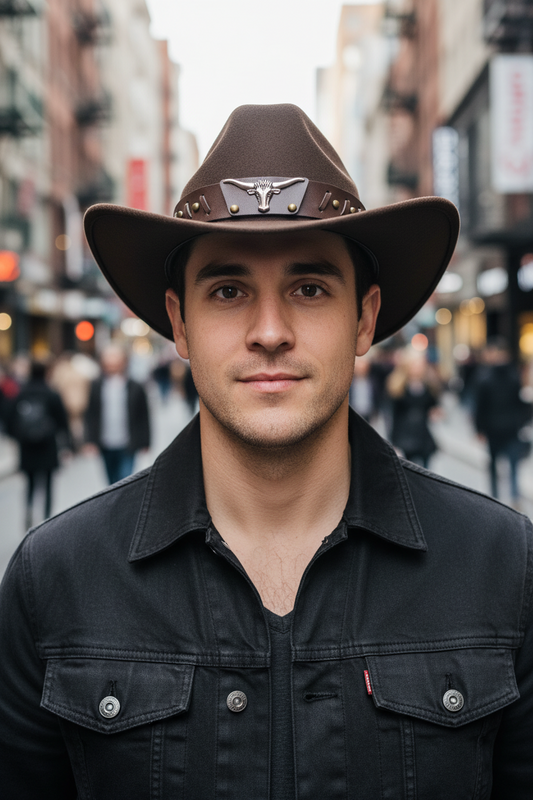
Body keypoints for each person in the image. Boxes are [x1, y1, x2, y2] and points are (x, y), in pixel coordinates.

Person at [0, 104, 531, 798]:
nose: (270, 331)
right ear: (178, 324)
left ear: (364, 318)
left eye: (308, 288)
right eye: (227, 290)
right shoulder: (56, 579)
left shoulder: (502, 567)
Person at [6, 360, 70, 528]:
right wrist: (67, 444)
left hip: (27, 447)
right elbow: (62, 421)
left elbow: (9, 419)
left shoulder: (21, 393)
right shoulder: (51, 393)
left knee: (30, 483)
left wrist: (19, 437)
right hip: (48, 446)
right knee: (48, 483)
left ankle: (28, 510)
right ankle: (47, 519)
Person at [474, 338, 531, 506]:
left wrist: (479, 429)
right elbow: (521, 404)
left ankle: (495, 499)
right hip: (511, 428)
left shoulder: (485, 378)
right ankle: (514, 497)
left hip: (493, 429)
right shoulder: (514, 377)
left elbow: (480, 408)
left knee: (494, 466)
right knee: (513, 465)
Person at [84, 343, 151, 484]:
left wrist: (146, 441)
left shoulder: (136, 386)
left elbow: (143, 415)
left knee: (124, 479)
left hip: (128, 443)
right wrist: (90, 440)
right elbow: (90, 414)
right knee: (111, 482)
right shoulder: (96, 385)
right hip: (105, 442)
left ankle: (123, 505)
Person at [386, 347, 442, 468]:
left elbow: (434, 406)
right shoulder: (398, 387)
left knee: (427, 473)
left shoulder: (429, 386)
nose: (418, 367)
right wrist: (393, 444)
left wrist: (436, 413)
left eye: (420, 364)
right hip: (405, 437)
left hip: (423, 435)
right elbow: (393, 416)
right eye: (414, 364)